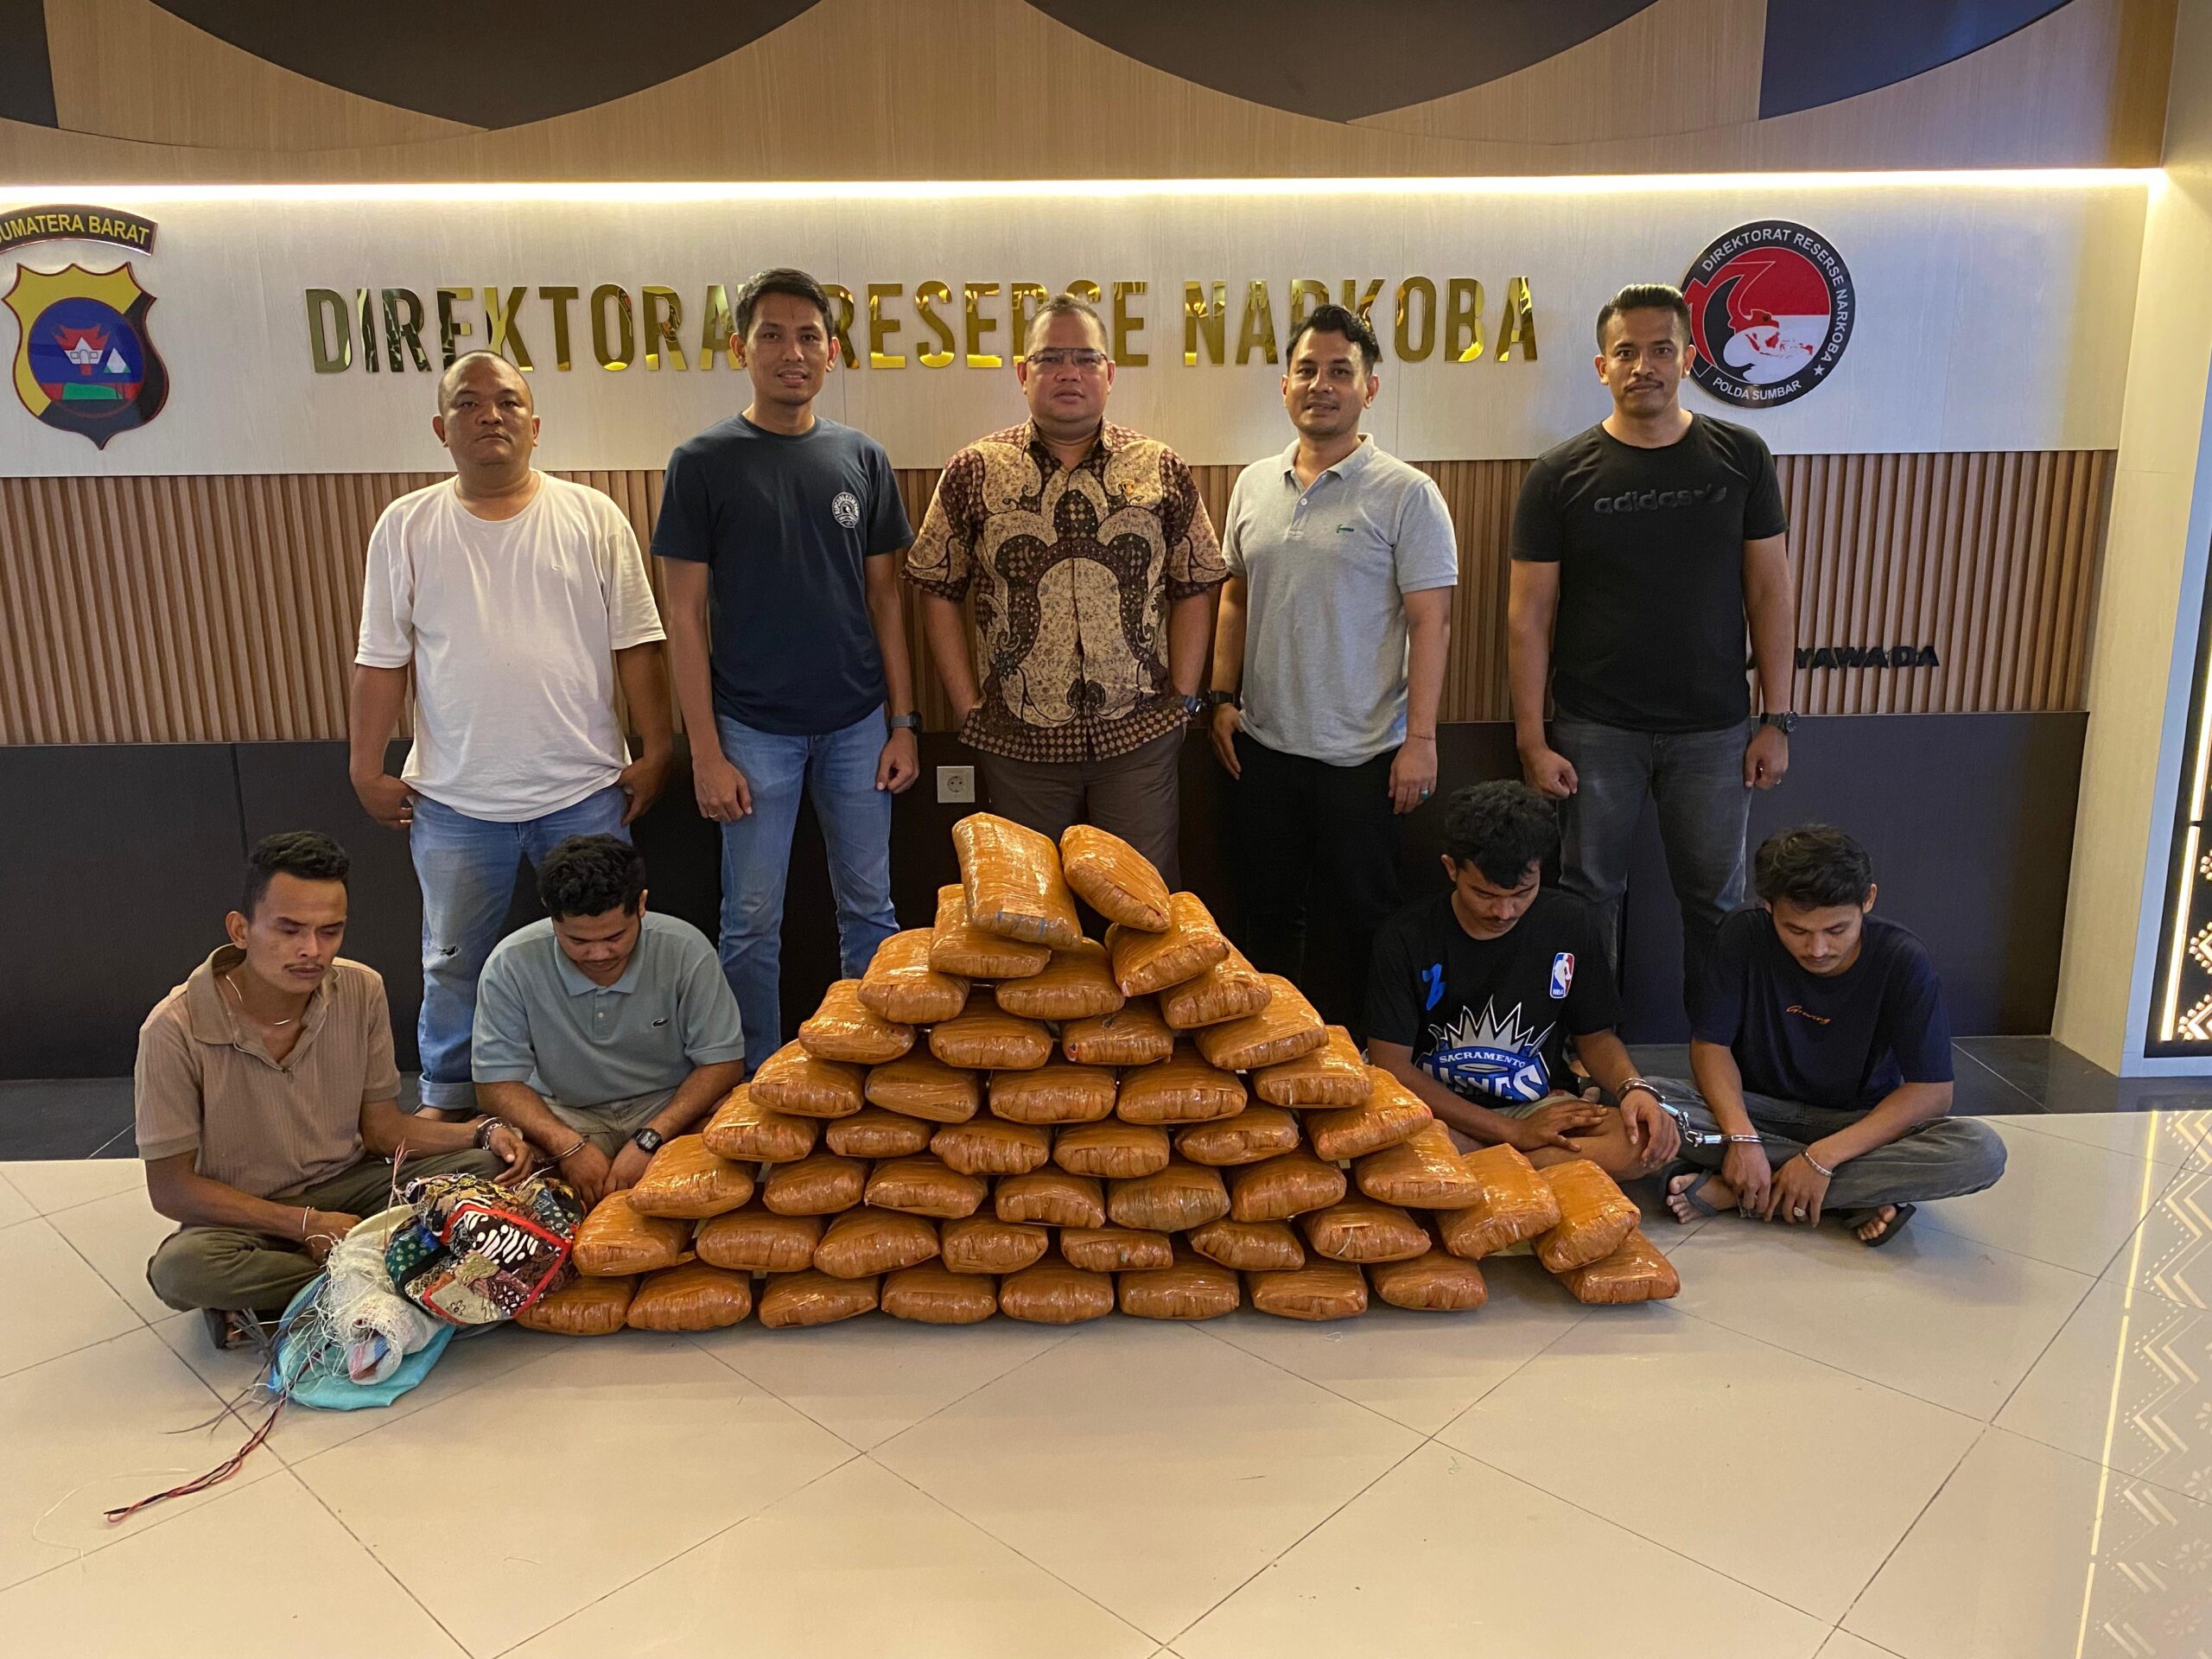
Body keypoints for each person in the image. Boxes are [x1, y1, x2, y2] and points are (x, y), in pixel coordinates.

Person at [350, 348, 673, 1120]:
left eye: (507, 402)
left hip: (584, 788)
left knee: (603, 951)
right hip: (455, 799)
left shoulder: (593, 516)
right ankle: (448, 1095)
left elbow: (638, 644)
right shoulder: (407, 525)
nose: (489, 415)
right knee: (451, 962)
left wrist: (659, 748)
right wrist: (365, 766)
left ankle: (607, 1090)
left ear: (535, 425)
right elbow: (381, 659)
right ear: (441, 428)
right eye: (467, 403)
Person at [654, 268, 919, 1067]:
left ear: (832, 353)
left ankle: (872, 1070)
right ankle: (752, 1081)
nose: (791, 352)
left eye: (808, 336)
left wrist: (903, 723)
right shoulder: (701, 462)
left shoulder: (861, 457)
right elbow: (684, 617)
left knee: (871, 910)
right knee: (749, 921)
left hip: (857, 724)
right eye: (771, 335)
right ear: (742, 349)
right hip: (750, 731)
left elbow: (886, 601)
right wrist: (705, 752)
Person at [1508, 282, 1796, 997]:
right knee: (1586, 896)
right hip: (1594, 727)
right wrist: (1532, 741)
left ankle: (1720, 1044)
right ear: (1601, 366)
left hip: (1715, 730)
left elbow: (1770, 592)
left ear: (1689, 358)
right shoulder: (1558, 475)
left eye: (1662, 350)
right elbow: (1527, 617)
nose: (1645, 367)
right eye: (1626, 352)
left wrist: (1778, 719)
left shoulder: (1741, 456)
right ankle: (1587, 1040)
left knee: (1718, 903)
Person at [136, 833, 530, 1348]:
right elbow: (171, 1189)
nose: (312, 950)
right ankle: (397, 1276)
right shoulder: (173, 1028)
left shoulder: (361, 989)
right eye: (289, 930)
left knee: (494, 1169)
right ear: (240, 930)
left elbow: (383, 1130)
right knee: (182, 1270)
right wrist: (305, 1224)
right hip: (246, 1212)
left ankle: (296, 1293)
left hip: (350, 1185)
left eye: (330, 931)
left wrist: (483, 1132)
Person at [906, 291, 1226, 883]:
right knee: (1032, 908)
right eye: (1051, 358)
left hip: (1138, 740)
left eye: (1085, 358)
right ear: (1023, 374)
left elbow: (1195, 583)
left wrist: (1183, 699)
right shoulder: (974, 471)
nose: (1068, 372)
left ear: (1110, 373)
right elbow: (936, 586)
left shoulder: (1160, 467)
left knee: (1142, 902)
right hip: (1018, 745)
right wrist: (968, 707)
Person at [1207, 303, 1458, 1036]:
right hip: (1263, 749)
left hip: (1365, 758)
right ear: (1284, 385)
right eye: (1307, 370)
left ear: (1369, 388)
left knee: (1364, 921)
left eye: (1340, 371)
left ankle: (1368, 1067)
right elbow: (1234, 597)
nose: (1322, 384)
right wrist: (1220, 698)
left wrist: (1422, 741)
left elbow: (1432, 622)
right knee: (1264, 916)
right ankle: (1265, 1055)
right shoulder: (1253, 484)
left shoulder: (1407, 493)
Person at [1660, 825, 2006, 1246]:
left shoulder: (1902, 959)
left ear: (1868, 900)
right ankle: (1852, 1195)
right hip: (1760, 1113)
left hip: (1855, 1124)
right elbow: (1711, 1046)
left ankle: (1743, 1191)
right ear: (1768, 907)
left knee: (1980, 1150)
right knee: (1648, 1102)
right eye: (1797, 931)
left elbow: (1932, 1091)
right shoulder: (1743, 934)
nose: (1818, 949)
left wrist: (1821, 1158)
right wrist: (1742, 1137)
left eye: (1837, 930)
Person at [1367, 781, 1681, 1179]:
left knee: (1641, 1140)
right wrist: (1510, 1132)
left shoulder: (1570, 921)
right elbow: (1391, 1066)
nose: (1504, 912)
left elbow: (1595, 1037)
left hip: (1538, 1108)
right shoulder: (1404, 937)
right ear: (1451, 868)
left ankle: (1474, 1167)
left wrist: (1633, 1087)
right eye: (1485, 894)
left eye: (1522, 893)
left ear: (1539, 869)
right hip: (1440, 1110)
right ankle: (1515, 1167)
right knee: (1386, 1141)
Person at [473, 835, 746, 1206]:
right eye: (578, 941)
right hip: (566, 1114)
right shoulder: (510, 963)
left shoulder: (686, 948)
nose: (599, 954)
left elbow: (723, 1063)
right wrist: (567, 1145)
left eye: (615, 936)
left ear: (641, 905)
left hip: (669, 1108)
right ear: (552, 916)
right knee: (499, 1163)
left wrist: (652, 1138)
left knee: (740, 1133)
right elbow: (495, 1084)